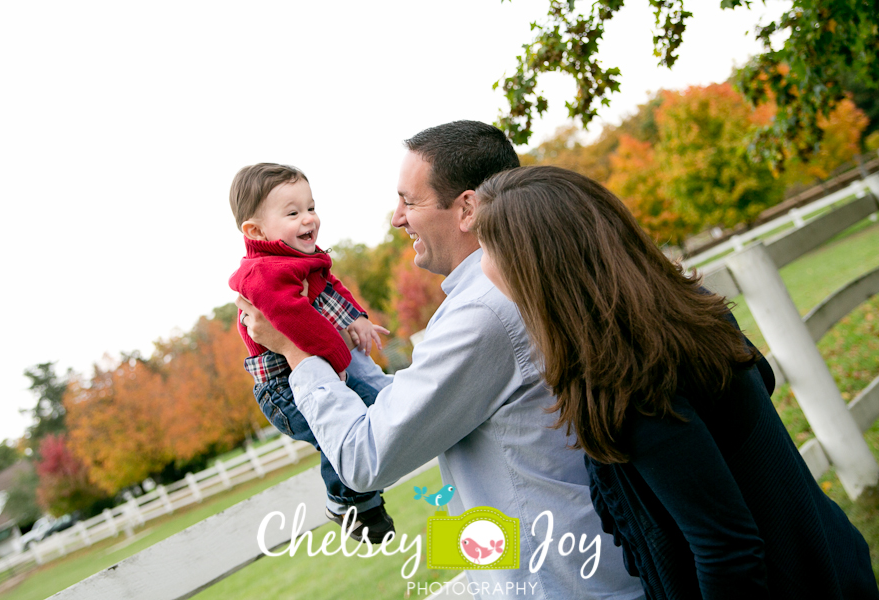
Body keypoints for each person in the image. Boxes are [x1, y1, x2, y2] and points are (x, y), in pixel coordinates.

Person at [236, 121, 645, 599]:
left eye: (409, 201)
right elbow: (463, 434)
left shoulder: (481, 314)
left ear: (467, 208)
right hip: (554, 558)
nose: (396, 218)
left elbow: (363, 458)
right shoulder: (528, 282)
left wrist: (296, 352)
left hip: (555, 583)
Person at [473, 165, 879, 599]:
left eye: (485, 250)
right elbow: (762, 380)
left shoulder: (626, 381)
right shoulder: (685, 306)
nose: (482, 267)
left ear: (532, 266)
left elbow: (728, 550)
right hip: (830, 556)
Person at [227, 163, 394, 543]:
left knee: (377, 415)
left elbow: (330, 283)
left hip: (320, 370)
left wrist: (358, 318)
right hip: (285, 389)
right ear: (255, 231)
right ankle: (348, 501)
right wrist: (339, 357)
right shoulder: (263, 274)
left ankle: (359, 499)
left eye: (311, 207)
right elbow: (297, 320)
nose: (309, 219)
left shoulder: (300, 258)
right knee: (340, 432)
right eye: (293, 213)